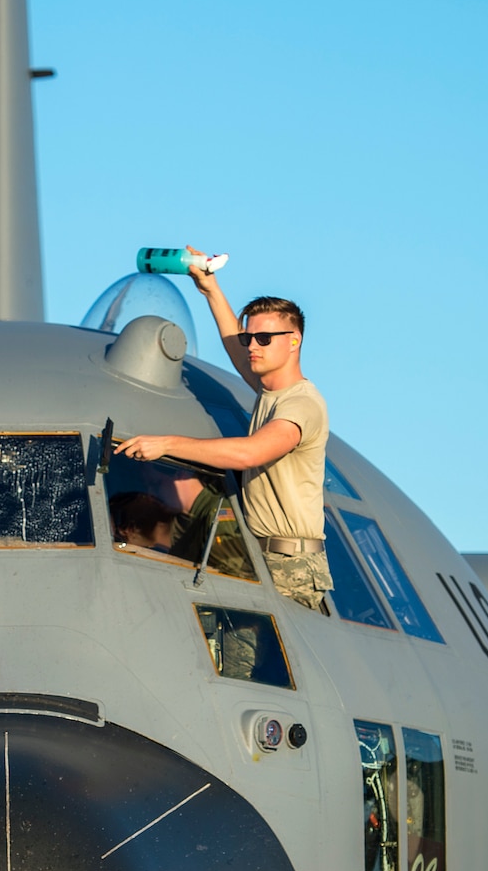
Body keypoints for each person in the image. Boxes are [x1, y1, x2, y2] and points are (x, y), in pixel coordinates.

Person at [113, 248, 332, 610]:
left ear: (294, 341)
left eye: (265, 339)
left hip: (289, 566)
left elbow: (251, 453)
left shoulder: (301, 404)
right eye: (250, 338)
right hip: (259, 554)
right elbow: (235, 346)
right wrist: (209, 288)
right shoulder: (270, 392)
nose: (253, 347)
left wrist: (166, 445)